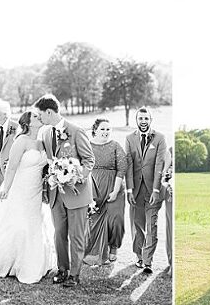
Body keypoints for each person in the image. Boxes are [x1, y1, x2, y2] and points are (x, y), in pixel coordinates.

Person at [0, 109, 57, 283]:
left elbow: (47, 165)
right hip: (21, 189)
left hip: (36, 190)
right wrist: (6, 188)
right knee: (19, 223)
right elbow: (12, 167)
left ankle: (36, 261)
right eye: (35, 116)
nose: (40, 117)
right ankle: (10, 260)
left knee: (34, 222)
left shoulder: (42, 141)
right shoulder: (21, 140)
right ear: (27, 123)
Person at [35, 95, 95, 289]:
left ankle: (75, 274)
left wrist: (76, 177)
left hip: (76, 193)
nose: (39, 118)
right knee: (59, 233)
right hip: (55, 193)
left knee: (76, 235)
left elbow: (89, 160)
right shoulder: (45, 134)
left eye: (40, 114)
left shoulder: (76, 131)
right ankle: (62, 269)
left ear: (49, 112)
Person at [125, 107, 166, 274]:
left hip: (153, 189)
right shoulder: (129, 138)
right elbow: (128, 164)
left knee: (152, 225)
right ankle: (139, 256)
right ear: (137, 120)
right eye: (140, 118)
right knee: (137, 225)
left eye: (146, 118)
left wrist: (156, 189)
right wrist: (129, 189)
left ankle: (148, 261)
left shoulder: (160, 138)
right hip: (135, 190)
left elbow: (159, 164)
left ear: (150, 120)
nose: (143, 121)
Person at [84, 117, 127, 266]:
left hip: (115, 187)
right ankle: (94, 251)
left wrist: (115, 191)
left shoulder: (115, 145)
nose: (106, 132)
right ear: (95, 130)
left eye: (108, 129)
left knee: (116, 219)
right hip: (94, 187)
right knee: (93, 220)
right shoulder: (88, 146)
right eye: (102, 129)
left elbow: (122, 168)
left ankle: (114, 247)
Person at [162, 145, 173, 276]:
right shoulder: (169, 151)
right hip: (171, 195)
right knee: (170, 228)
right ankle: (172, 264)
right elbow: (164, 174)